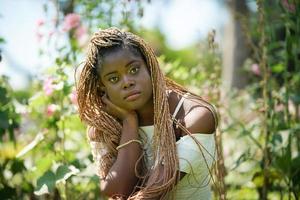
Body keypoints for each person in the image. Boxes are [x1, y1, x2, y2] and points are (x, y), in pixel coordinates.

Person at [76, 27, 219, 200]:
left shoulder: (194, 117)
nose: (127, 82)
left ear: (150, 67)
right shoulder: (105, 127)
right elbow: (116, 190)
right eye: (114, 79)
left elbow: (152, 193)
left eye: (134, 70)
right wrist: (129, 122)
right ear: (102, 87)